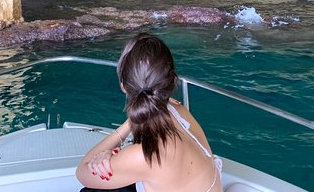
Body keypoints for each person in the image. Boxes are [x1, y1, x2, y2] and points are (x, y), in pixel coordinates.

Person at [76, 33, 223, 192]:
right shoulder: (179, 111)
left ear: (123, 85)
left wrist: (122, 133)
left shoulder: (144, 154)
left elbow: (82, 173)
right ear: (171, 80)